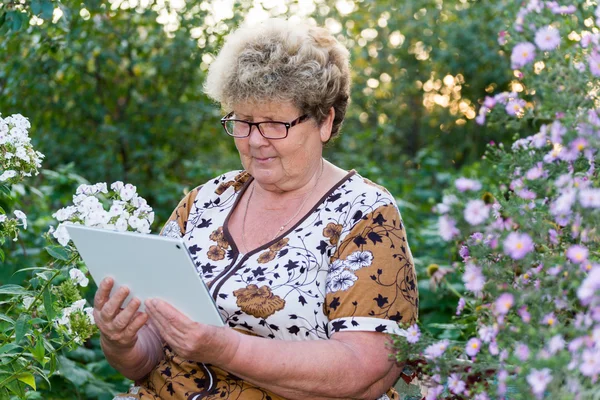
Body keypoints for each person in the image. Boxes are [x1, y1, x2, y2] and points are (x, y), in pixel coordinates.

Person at [94, 18, 420, 400]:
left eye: (274, 124)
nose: (254, 141)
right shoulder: (204, 201)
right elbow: (146, 356)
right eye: (243, 122)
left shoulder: (364, 214)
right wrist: (121, 341)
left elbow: (364, 374)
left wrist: (223, 348)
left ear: (325, 121)